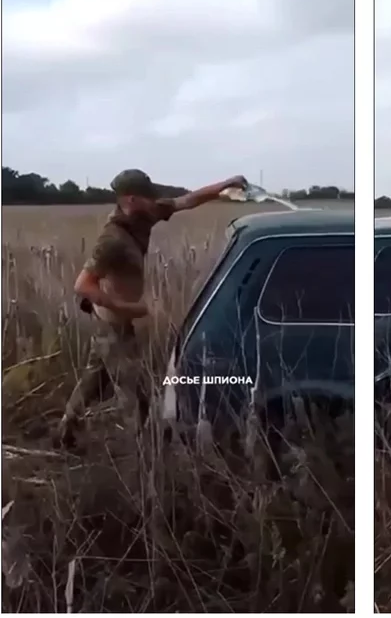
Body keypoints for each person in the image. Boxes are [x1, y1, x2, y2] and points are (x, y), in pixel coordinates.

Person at [58, 169, 248, 449]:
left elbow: (188, 200)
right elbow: (83, 285)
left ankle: (66, 431)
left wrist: (226, 184)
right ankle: (144, 454)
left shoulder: (146, 214)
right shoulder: (111, 240)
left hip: (116, 324)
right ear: (131, 199)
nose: (154, 201)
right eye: (148, 197)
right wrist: (127, 307)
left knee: (93, 381)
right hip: (113, 325)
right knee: (138, 395)